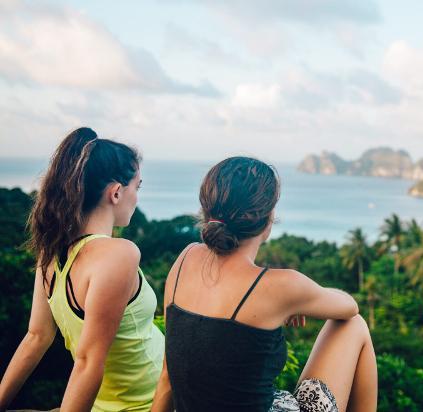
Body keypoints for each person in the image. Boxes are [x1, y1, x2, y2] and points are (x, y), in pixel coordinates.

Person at [151, 156, 378, 412]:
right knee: (354, 325)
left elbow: (168, 377)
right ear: (268, 217)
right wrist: (298, 301)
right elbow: (349, 307)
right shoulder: (280, 286)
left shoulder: (185, 260)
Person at [0, 128, 164, 411]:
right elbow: (88, 362)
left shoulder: (51, 252)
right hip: (147, 403)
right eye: (137, 187)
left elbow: (36, 337)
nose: (136, 197)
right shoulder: (119, 254)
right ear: (115, 192)